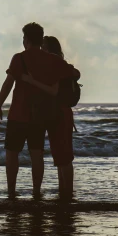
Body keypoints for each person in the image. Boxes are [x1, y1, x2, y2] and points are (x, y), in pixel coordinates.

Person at [0, 22, 58, 199]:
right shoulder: (49, 59)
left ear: (27, 39)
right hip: (39, 116)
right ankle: (36, 192)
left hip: (18, 114)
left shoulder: (19, 58)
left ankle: (12, 191)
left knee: (12, 154)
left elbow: (9, 83)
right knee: (36, 153)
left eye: (24, 38)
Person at [39, 35, 80, 202]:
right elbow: (75, 73)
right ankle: (64, 191)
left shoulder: (56, 64)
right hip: (60, 113)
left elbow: (74, 74)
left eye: (43, 47)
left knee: (63, 156)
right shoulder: (58, 64)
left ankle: (67, 193)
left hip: (60, 113)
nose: (41, 50)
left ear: (48, 49)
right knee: (60, 155)